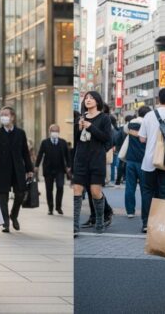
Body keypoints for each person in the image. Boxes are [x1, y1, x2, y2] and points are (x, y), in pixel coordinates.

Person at [0, 107, 34, 233]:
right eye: (1, 115)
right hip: (2, 169)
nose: (3, 117)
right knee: (3, 196)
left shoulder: (20, 133)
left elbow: (25, 153)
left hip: (18, 169)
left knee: (20, 194)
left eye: (6, 114)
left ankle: (14, 215)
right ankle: (5, 222)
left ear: (12, 117)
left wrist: (30, 169)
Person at [73, 91, 112, 234]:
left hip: (96, 160)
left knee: (96, 193)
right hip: (80, 160)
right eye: (86, 98)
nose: (88, 100)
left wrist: (90, 127)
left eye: (91, 98)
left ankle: (100, 221)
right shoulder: (80, 118)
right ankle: (75, 227)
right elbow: (76, 140)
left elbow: (106, 138)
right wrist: (78, 128)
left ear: (97, 101)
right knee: (77, 191)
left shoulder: (104, 118)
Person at [139, 88, 165, 233]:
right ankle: (161, 224)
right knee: (164, 193)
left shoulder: (149, 115)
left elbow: (142, 138)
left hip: (149, 161)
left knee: (147, 192)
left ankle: (146, 223)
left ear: (158, 99)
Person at [35, 124, 71, 215]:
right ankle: (50, 208)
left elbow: (68, 155)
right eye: (53, 131)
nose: (55, 132)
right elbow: (40, 154)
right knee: (49, 189)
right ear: (49, 132)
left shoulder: (63, 142)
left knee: (60, 187)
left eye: (56, 131)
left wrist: (69, 166)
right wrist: (36, 166)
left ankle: (58, 207)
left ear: (59, 132)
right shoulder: (45, 142)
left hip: (60, 169)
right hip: (48, 169)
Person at [124, 106, 149, 219]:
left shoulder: (130, 124)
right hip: (143, 160)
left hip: (130, 159)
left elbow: (124, 131)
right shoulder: (147, 123)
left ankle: (130, 211)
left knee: (130, 186)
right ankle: (145, 212)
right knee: (145, 188)